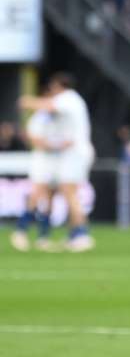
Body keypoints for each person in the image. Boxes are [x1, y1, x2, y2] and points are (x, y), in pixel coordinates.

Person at [17, 73, 95, 252]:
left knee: (69, 192)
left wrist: (27, 101)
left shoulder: (69, 98)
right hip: (63, 154)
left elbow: (49, 106)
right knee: (60, 193)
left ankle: (81, 234)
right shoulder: (63, 107)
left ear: (59, 86)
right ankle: (73, 234)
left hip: (74, 153)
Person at [10, 102, 63, 252]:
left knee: (51, 196)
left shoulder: (60, 117)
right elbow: (33, 138)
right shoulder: (39, 118)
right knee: (37, 193)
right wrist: (54, 146)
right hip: (42, 161)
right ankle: (21, 230)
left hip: (57, 161)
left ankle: (43, 237)